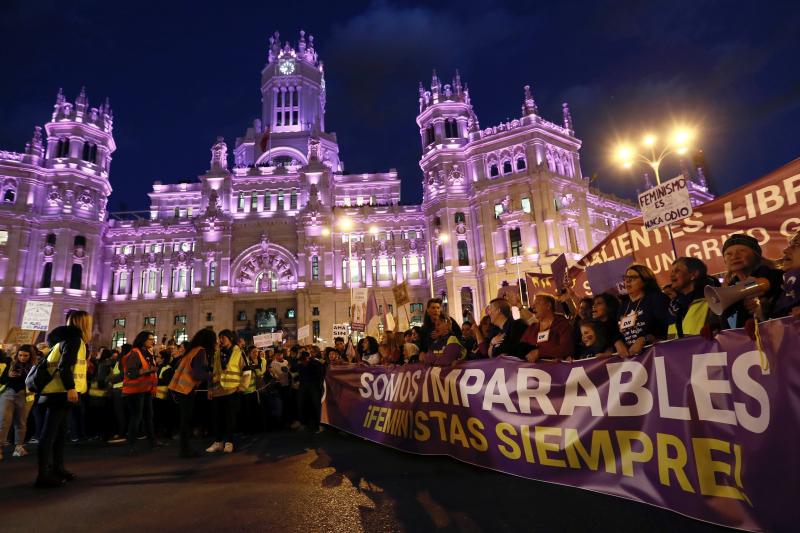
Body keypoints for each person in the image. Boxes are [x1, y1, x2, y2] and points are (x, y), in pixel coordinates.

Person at [36, 310, 91, 488]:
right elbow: (65, 366)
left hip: (57, 393)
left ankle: (57, 468)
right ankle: (43, 475)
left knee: (60, 434)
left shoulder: (63, 340)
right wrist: (71, 388)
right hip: (60, 393)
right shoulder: (74, 340)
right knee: (49, 434)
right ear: (83, 324)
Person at [719, 234, 783, 329]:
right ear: (724, 260)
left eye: (742, 251)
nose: (735, 256)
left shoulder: (775, 276)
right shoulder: (728, 290)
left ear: (756, 256)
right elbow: (730, 324)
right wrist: (717, 328)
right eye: (728, 254)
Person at [168, 329, 214, 458]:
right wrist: (211, 375)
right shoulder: (200, 351)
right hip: (186, 389)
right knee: (186, 421)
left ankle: (184, 449)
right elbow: (197, 374)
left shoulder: (192, 351)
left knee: (184, 421)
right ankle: (185, 450)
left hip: (179, 388)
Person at [618, 264, 670, 355]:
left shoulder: (657, 299)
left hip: (656, 354)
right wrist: (617, 342)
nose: (627, 280)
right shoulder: (623, 306)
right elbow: (615, 332)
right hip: (631, 358)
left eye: (633, 277)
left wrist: (645, 338)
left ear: (645, 281)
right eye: (626, 277)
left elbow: (665, 326)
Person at [207, 330, 243, 453]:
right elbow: (212, 372)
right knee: (217, 418)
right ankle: (218, 442)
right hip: (217, 390)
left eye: (223, 337)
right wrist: (210, 388)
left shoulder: (239, 352)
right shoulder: (217, 353)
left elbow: (247, 371)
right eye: (220, 337)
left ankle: (229, 442)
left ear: (230, 339)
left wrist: (242, 386)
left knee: (230, 418)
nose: (220, 340)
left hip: (232, 390)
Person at [123, 331, 159, 454]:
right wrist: (148, 370)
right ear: (143, 340)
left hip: (146, 390)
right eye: (150, 339)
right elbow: (130, 373)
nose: (152, 341)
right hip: (135, 391)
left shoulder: (149, 353)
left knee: (149, 417)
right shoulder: (135, 353)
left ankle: (152, 442)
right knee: (136, 418)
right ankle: (131, 445)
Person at [667, 257, 719, 338]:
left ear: (693, 275)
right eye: (672, 271)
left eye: (677, 271)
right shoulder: (673, 306)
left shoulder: (712, 299)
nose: (671, 275)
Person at [0, 345, 35, 460]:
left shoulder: (34, 366)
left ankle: (19, 447)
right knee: (3, 421)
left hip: (25, 395)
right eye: (20, 355)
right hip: (8, 394)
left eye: (26, 355)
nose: (22, 357)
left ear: (30, 356)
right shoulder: (11, 364)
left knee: (21, 422)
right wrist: (9, 376)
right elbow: (2, 380)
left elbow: (37, 383)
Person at [520, 294, 575, 362]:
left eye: (537, 303)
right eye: (533, 304)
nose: (533, 307)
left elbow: (567, 348)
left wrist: (539, 353)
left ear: (548, 305)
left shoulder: (562, 325)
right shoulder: (532, 328)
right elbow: (520, 348)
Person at [772, 229, 800, 319]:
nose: (785, 250)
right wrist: (763, 313)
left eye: (797, 244)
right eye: (790, 245)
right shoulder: (782, 289)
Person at [296, 350, 325, 432]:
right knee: (301, 403)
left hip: (313, 385)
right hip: (304, 385)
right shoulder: (300, 364)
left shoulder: (315, 363)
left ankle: (319, 424)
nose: (305, 361)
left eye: (306, 359)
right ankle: (303, 423)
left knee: (316, 404)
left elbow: (320, 371)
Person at [240, 345, 267, 433]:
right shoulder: (246, 361)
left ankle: (258, 428)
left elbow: (261, 372)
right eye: (253, 352)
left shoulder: (262, 361)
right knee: (248, 411)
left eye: (257, 351)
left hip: (258, 390)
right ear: (249, 353)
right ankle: (249, 429)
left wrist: (254, 367)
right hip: (247, 390)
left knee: (258, 409)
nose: (256, 353)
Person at [154, 349, 175, 439]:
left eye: (158, 357)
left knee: (165, 415)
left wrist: (154, 381)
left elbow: (167, 381)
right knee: (158, 415)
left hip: (164, 397)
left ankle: (167, 433)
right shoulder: (159, 367)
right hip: (157, 396)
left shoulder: (168, 368)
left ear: (163, 358)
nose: (156, 358)